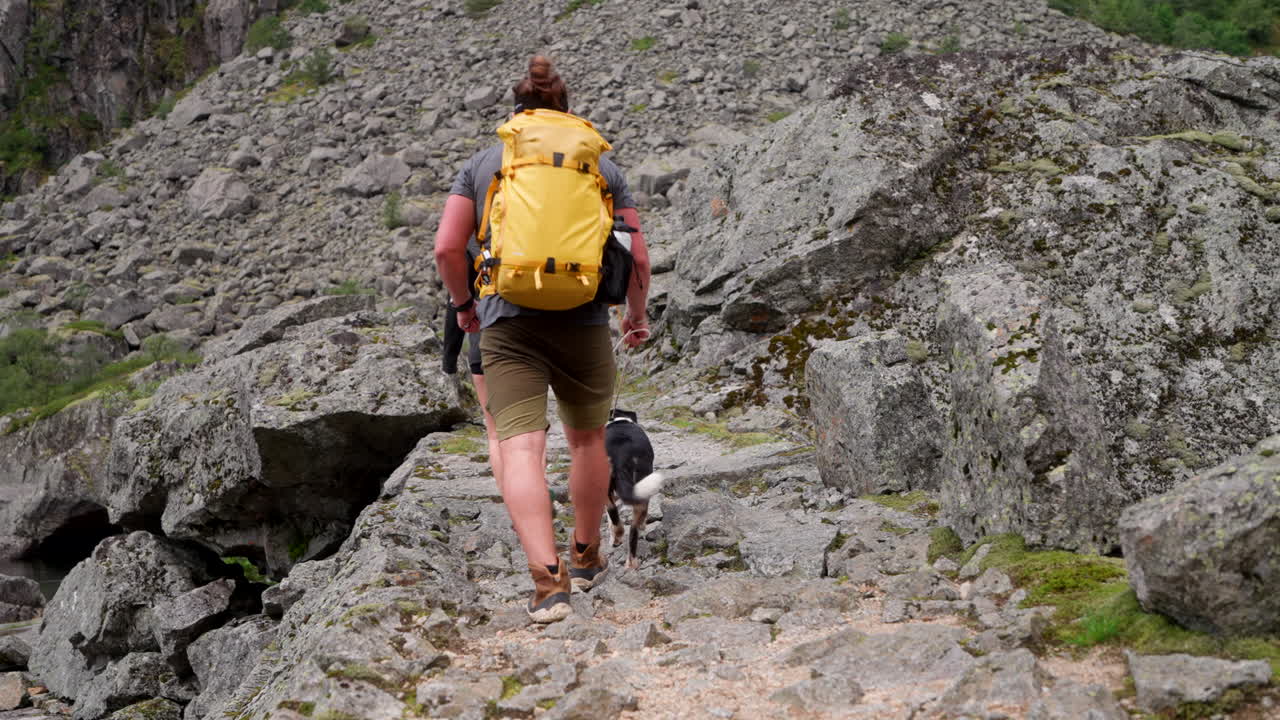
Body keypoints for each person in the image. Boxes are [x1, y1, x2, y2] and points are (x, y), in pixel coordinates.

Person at [434, 55, 651, 623]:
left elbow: (446, 248)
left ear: (518, 111)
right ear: (566, 109)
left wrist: (464, 307)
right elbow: (635, 253)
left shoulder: (485, 162)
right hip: (582, 320)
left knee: (521, 448)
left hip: (505, 320)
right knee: (586, 442)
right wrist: (636, 314)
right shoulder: (599, 163)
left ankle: (548, 583)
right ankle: (585, 554)